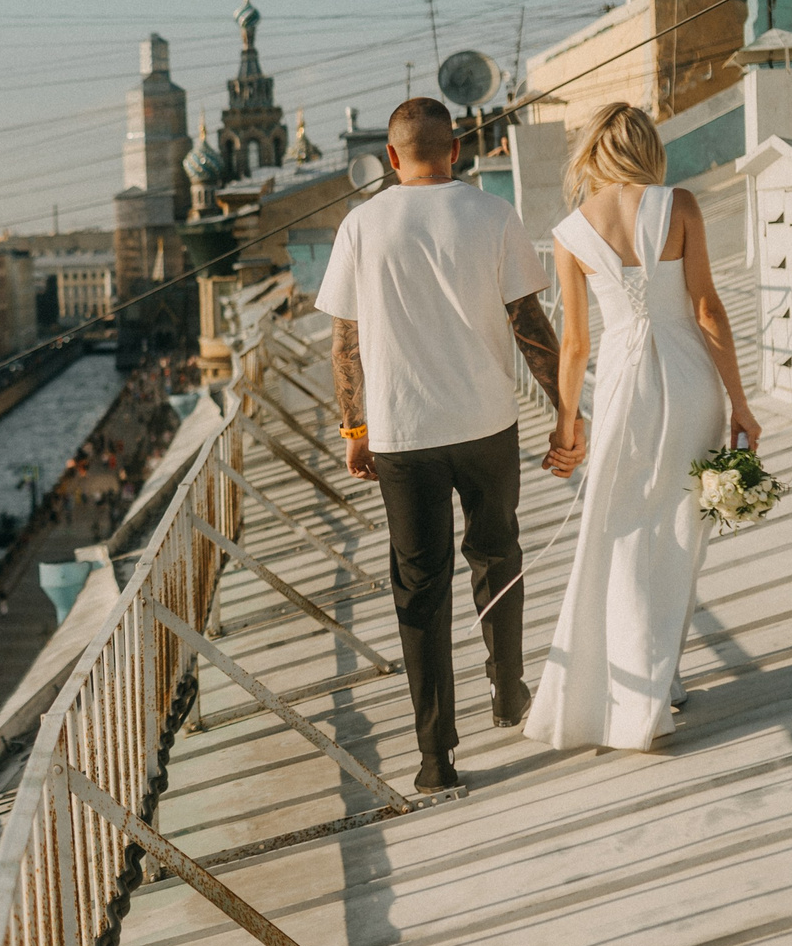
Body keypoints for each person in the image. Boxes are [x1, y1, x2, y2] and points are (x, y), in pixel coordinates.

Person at [315, 96, 573, 791]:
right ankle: (509, 687)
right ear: (456, 149)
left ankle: (437, 759)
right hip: (488, 420)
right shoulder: (493, 215)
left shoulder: (361, 225)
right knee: (497, 552)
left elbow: (344, 344)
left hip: (403, 433)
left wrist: (355, 429)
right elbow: (530, 324)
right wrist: (566, 411)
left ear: (391, 158)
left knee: (419, 590)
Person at [523, 103, 758, 753]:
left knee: (623, 533)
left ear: (593, 155)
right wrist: (740, 403)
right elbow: (707, 307)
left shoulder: (570, 232)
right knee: (682, 530)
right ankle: (666, 676)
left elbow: (573, 344)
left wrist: (568, 426)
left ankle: (637, 691)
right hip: (688, 381)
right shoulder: (678, 204)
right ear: (647, 148)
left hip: (625, 387)